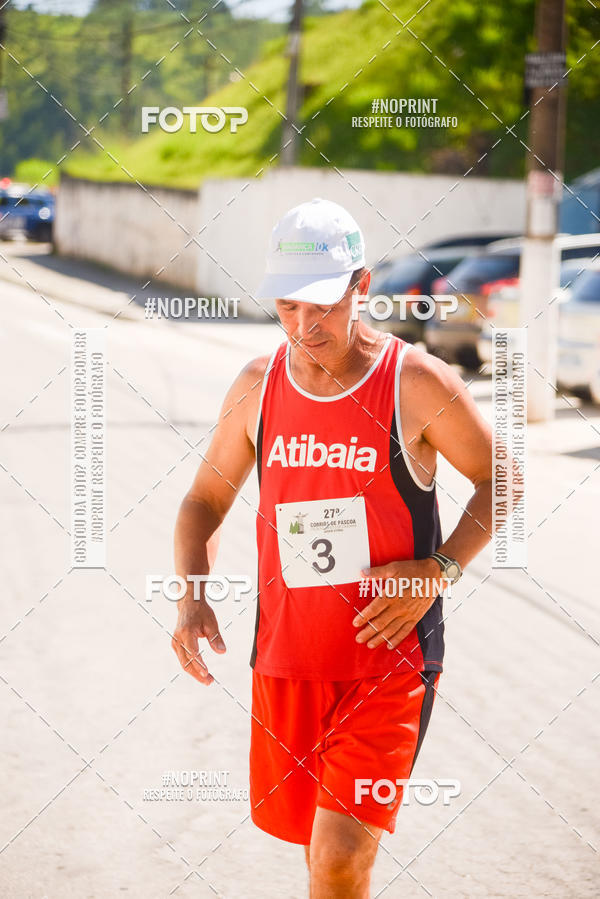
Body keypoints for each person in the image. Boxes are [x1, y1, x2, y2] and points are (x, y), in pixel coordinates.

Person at [173, 198, 493, 898]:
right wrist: (193, 596)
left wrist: (438, 568)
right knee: (318, 853)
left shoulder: (414, 383)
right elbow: (203, 501)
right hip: (288, 657)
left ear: (362, 286)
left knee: (342, 856)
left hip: (390, 661)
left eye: (321, 305)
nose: (304, 325)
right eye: (287, 307)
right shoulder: (259, 386)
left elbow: (502, 478)